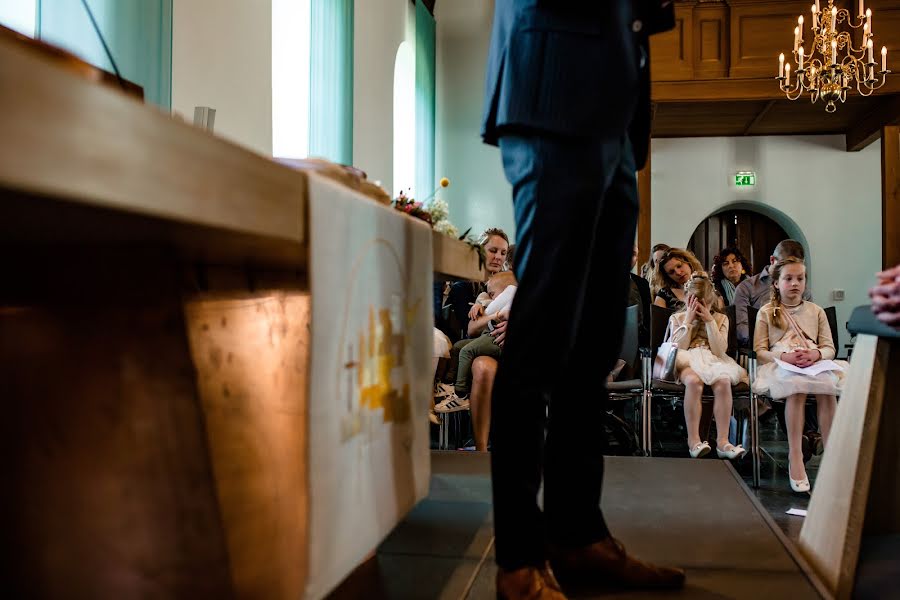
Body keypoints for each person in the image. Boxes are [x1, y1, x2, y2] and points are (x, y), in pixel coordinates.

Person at [482, 1, 685, 597]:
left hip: (616, 107)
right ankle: (518, 560)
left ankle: (577, 534)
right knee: (540, 332)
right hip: (555, 78)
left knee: (594, 340)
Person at [752, 258, 847, 493]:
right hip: (781, 363)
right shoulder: (766, 312)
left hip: (811, 360)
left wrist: (815, 354)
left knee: (827, 386)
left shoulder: (816, 311)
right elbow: (760, 351)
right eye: (788, 279)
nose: (795, 283)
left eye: (800, 279)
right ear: (776, 283)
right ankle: (795, 455)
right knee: (796, 387)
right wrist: (785, 358)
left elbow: (829, 347)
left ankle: (832, 457)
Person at [665, 273, 748, 459]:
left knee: (724, 381)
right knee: (694, 382)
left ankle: (723, 441)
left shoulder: (720, 319)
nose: (700, 309)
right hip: (686, 358)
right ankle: (693, 440)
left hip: (713, 359)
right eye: (694, 303)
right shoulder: (677, 318)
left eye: (705, 305)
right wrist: (688, 320)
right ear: (687, 299)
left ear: (712, 302)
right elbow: (679, 347)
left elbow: (720, 350)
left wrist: (710, 321)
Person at [436, 271, 517, 412]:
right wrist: (480, 304)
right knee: (458, 346)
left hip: (497, 339)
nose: (491, 297)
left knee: (467, 351)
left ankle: (460, 394)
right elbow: (474, 326)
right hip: (491, 334)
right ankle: (449, 382)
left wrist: (484, 306)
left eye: (492, 294)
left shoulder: (511, 291)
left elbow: (491, 309)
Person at [734, 239, 811, 346]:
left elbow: (809, 326)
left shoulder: (804, 291)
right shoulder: (746, 288)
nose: (794, 282)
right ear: (772, 260)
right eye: (784, 266)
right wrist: (770, 343)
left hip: (798, 347)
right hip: (760, 349)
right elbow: (742, 328)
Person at [629, 245, 652, 347]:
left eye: (633, 254)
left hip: (638, 340)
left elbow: (648, 314)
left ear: (637, 258)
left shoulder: (642, 283)